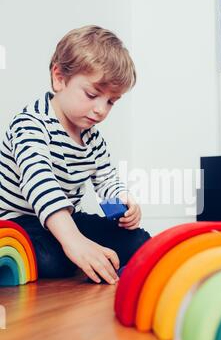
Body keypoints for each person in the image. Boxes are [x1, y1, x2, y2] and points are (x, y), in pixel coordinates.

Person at [0, 25, 151, 284]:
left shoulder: (92, 137)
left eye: (111, 101)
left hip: (66, 218)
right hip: (21, 223)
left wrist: (122, 202)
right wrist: (73, 241)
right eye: (92, 95)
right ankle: (76, 255)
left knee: (138, 240)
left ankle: (81, 255)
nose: (101, 110)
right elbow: (40, 184)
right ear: (59, 78)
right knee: (51, 259)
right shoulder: (31, 125)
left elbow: (105, 180)